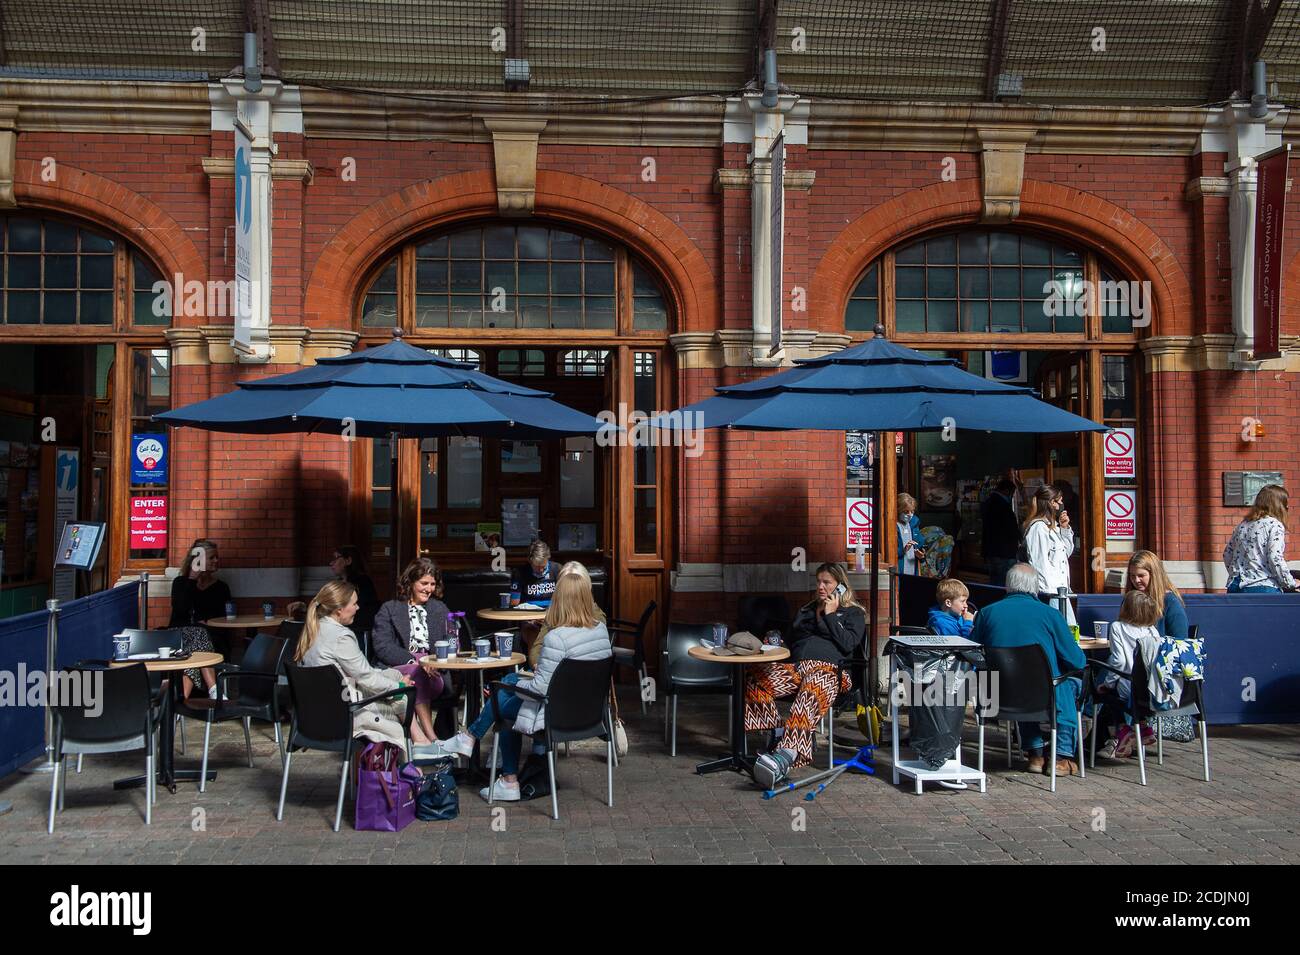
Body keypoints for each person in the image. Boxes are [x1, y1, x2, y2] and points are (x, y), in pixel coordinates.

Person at [442, 570, 611, 802]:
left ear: (559, 599)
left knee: (502, 701)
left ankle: (500, 770)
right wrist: (522, 681)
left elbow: (540, 690)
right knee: (510, 682)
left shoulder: (556, 637)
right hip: (588, 714)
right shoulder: (601, 631)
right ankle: (472, 742)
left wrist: (522, 683)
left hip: (556, 716)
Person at [748, 563, 866, 789]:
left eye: (827, 582)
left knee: (814, 685)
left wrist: (831, 615)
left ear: (840, 586)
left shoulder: (853, 613)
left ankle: (785, 756)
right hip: (798, 669)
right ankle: (778, 733)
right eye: (818, 581)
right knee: (754, 676)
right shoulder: (806, 610)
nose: (820, 586)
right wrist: (775, 644)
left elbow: (848, 644)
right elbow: (790, 641)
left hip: (832, 672)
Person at [970, 562, 1087, 776]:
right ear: (1035, 587)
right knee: (1070, 686)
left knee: (1022, 683)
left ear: (1007, 586)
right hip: (1043, 693)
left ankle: (1035, 754)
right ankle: (1061, 756)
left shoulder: (986, 613)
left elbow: (973, 651)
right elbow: (1077, 661)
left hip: (999, 693)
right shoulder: (1050, 615)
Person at [295, 580, 436, 755]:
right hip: (346, 714)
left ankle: (420, 740)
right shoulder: (341, 637)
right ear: (339, 609)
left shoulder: (313, 631)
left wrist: (395, 682)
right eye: (354, 604)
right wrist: (399, 687)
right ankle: (416, 752)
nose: (358, 608)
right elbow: (366, 678)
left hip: (317, 712)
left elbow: (360, 672)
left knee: (395, 675)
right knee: (402, 697)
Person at [371, 557, 452, 746]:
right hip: (401, 668)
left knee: (419, 673)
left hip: (434, 672)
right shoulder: (389, 609)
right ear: (411, 582)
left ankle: (424, 739)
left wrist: (434, 662)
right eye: (424, 583)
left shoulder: (440, 609)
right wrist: (413, 661)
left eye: (432, 584)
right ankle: (431, 738)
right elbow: (382, 645)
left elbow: (452, 640)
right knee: (416, 671)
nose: (429, 589)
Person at [1095, 589, 1161, 759]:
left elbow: (1119, 661)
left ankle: (1123, 728)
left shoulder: (1118, 627)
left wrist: (1108, 683)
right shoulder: (1153, 631)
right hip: (1151, 689)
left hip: (1130, 684)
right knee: (1126, 695)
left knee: (1105, 692)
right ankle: (1144, 726)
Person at [167, 538, 224, 699]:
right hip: (179, 636)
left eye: (216, 557)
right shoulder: (180, 583)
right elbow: (180, 610)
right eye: (211, 557)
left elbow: (223, 617)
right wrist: (192, 579)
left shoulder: (221, 587)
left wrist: (206, 623)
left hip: (210, 637)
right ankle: (214, 690)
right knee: (197, 636)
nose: (216, 561)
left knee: (196, 643)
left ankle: (181, 701)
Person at [528, 561, 606, 669]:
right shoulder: (554, 612)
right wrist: (537, 665)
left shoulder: (597, 619)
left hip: (576, 674)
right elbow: (537, 647)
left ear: (586, 588)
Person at [1223, 484, 1296, 593]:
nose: (1287, 507)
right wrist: (1290, 583)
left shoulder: (1243, 525)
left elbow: (1227, 554)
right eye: (1285, 503)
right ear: (1279, 505)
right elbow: (1275, 557)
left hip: (1235, 586)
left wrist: (1236, 573)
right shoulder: (1274, 525)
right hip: (1263, 586)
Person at [1023, 484, 1077, 626]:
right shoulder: (1038, 528)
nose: (1061, 504)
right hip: (1050, 592)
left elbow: (1065, 553)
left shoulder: (1051, 527)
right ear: (1051, 503)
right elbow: (1039, 563)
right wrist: (1047, 594)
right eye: (1059, 501)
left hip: (1060, 592)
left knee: (1069, 629)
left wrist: (1064, 529)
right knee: (1061, 629)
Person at [1123, 550, 1188, 639]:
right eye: (1132, 576)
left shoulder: (1170, 602)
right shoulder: (1130, 600)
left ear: (1154, 575)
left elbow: (1180, 640)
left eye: (1141, 576)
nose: (1136, 580)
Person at [981, 479, 1021, 586]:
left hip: (992, 550)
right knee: (1004, 581)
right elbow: (1010, 528)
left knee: (995, 579)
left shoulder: (988, 502)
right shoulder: (1002, 504)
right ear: (1007, 491)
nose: (1012, 496)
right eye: (1012, 492)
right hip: (1004, 551)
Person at [512, 539, 561, 607]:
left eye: (543, 566)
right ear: (530, 561)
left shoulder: (557, 569)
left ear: (548, 558)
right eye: (537, 567)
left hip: (552, 610)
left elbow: (566, 597)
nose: (541, 570)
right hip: (528, 611)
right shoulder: (520, 573)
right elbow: (514, 602)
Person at [896, 493, 924, 575]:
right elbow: (890, 553)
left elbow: (920, 545)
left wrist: (921, 555)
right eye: (906, 511)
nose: (910, 514)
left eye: (912, 511)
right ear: (898, 510)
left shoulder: (914, 523)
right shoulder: (893, 526)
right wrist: (903, 550)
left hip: (913, 568)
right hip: (899, 569)